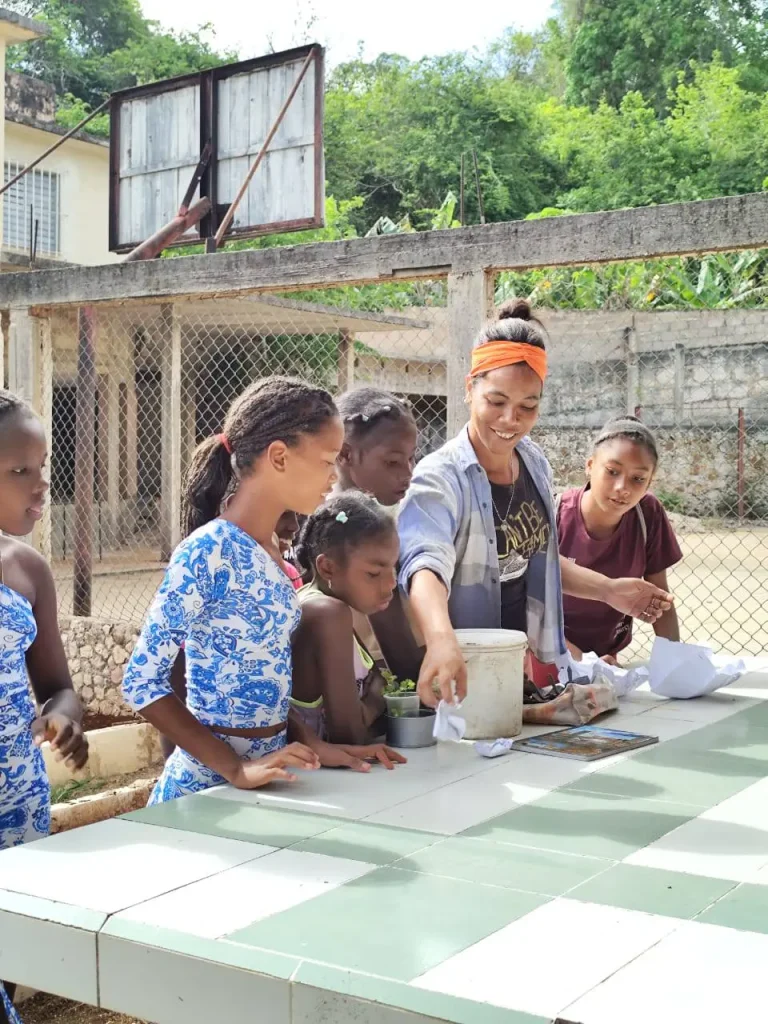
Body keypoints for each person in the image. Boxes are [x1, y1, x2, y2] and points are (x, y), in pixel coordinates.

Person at [123, 377, 400, 805]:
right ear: (279, 457)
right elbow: (141, 682)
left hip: (269, 779)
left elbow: (262, 678)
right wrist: (234, 767)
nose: (334, 476)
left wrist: (314, 744)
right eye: (327, 460)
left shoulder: (272, 554)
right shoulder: (207, 550)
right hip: (205, 789)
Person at [397, 300, 674, 707]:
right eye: (496, 401)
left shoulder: (533, 463)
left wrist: (610, 591)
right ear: (469, 387)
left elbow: (534, 558)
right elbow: (424, 566)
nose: (511, 419)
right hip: (460, 672)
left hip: (520, 671)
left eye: (528, 406)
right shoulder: (440, 476)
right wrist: (441, 641)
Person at [0, 390, 89, 1024]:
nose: (39, 487)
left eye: (43, 469)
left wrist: (66, 717)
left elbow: (58, 685)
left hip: (19, 806)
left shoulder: (27, 569)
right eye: (18, 471)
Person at [557, 416, 682, 664]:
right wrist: (574, 659)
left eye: (638, 479)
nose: (622, 488)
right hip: (550, 650)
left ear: (650, 481)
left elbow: (659, 599)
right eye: (612, 472)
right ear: (590, 466)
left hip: (607, 656)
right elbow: (525, 605)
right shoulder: (554, 513)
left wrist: (675, 663)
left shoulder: (647, 514)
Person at [291, 492, 406, 750]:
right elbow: (351, 734)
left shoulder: (335, 608)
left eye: (393, 568)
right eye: (374, 573)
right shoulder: (327, 614)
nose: (390, 584)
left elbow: (381, 686)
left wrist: (373, 698)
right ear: (328, 567)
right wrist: (375, 696)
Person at [333, 387, 422, 683]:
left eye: (411, 459)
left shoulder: (322, 510)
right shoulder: (360, 526)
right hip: (371, 684)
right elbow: (395, 642)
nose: (408, 473)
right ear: (345, 454)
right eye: (392, 462)